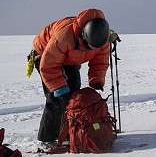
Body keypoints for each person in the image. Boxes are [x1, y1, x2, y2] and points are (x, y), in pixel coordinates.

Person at [30, 8, 111, 149]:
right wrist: (60, 89)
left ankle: (71, 132)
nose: (91, 49)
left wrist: (96, 79)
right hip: (45, 55)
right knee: (55, 99)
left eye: (94, 47)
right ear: (83, 36)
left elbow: (100, 61)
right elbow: (49, 67)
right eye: (88, 46)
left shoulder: (102, 39)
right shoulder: (64, 36)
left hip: (69, 57)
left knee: (73, 97)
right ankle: (47, 139)